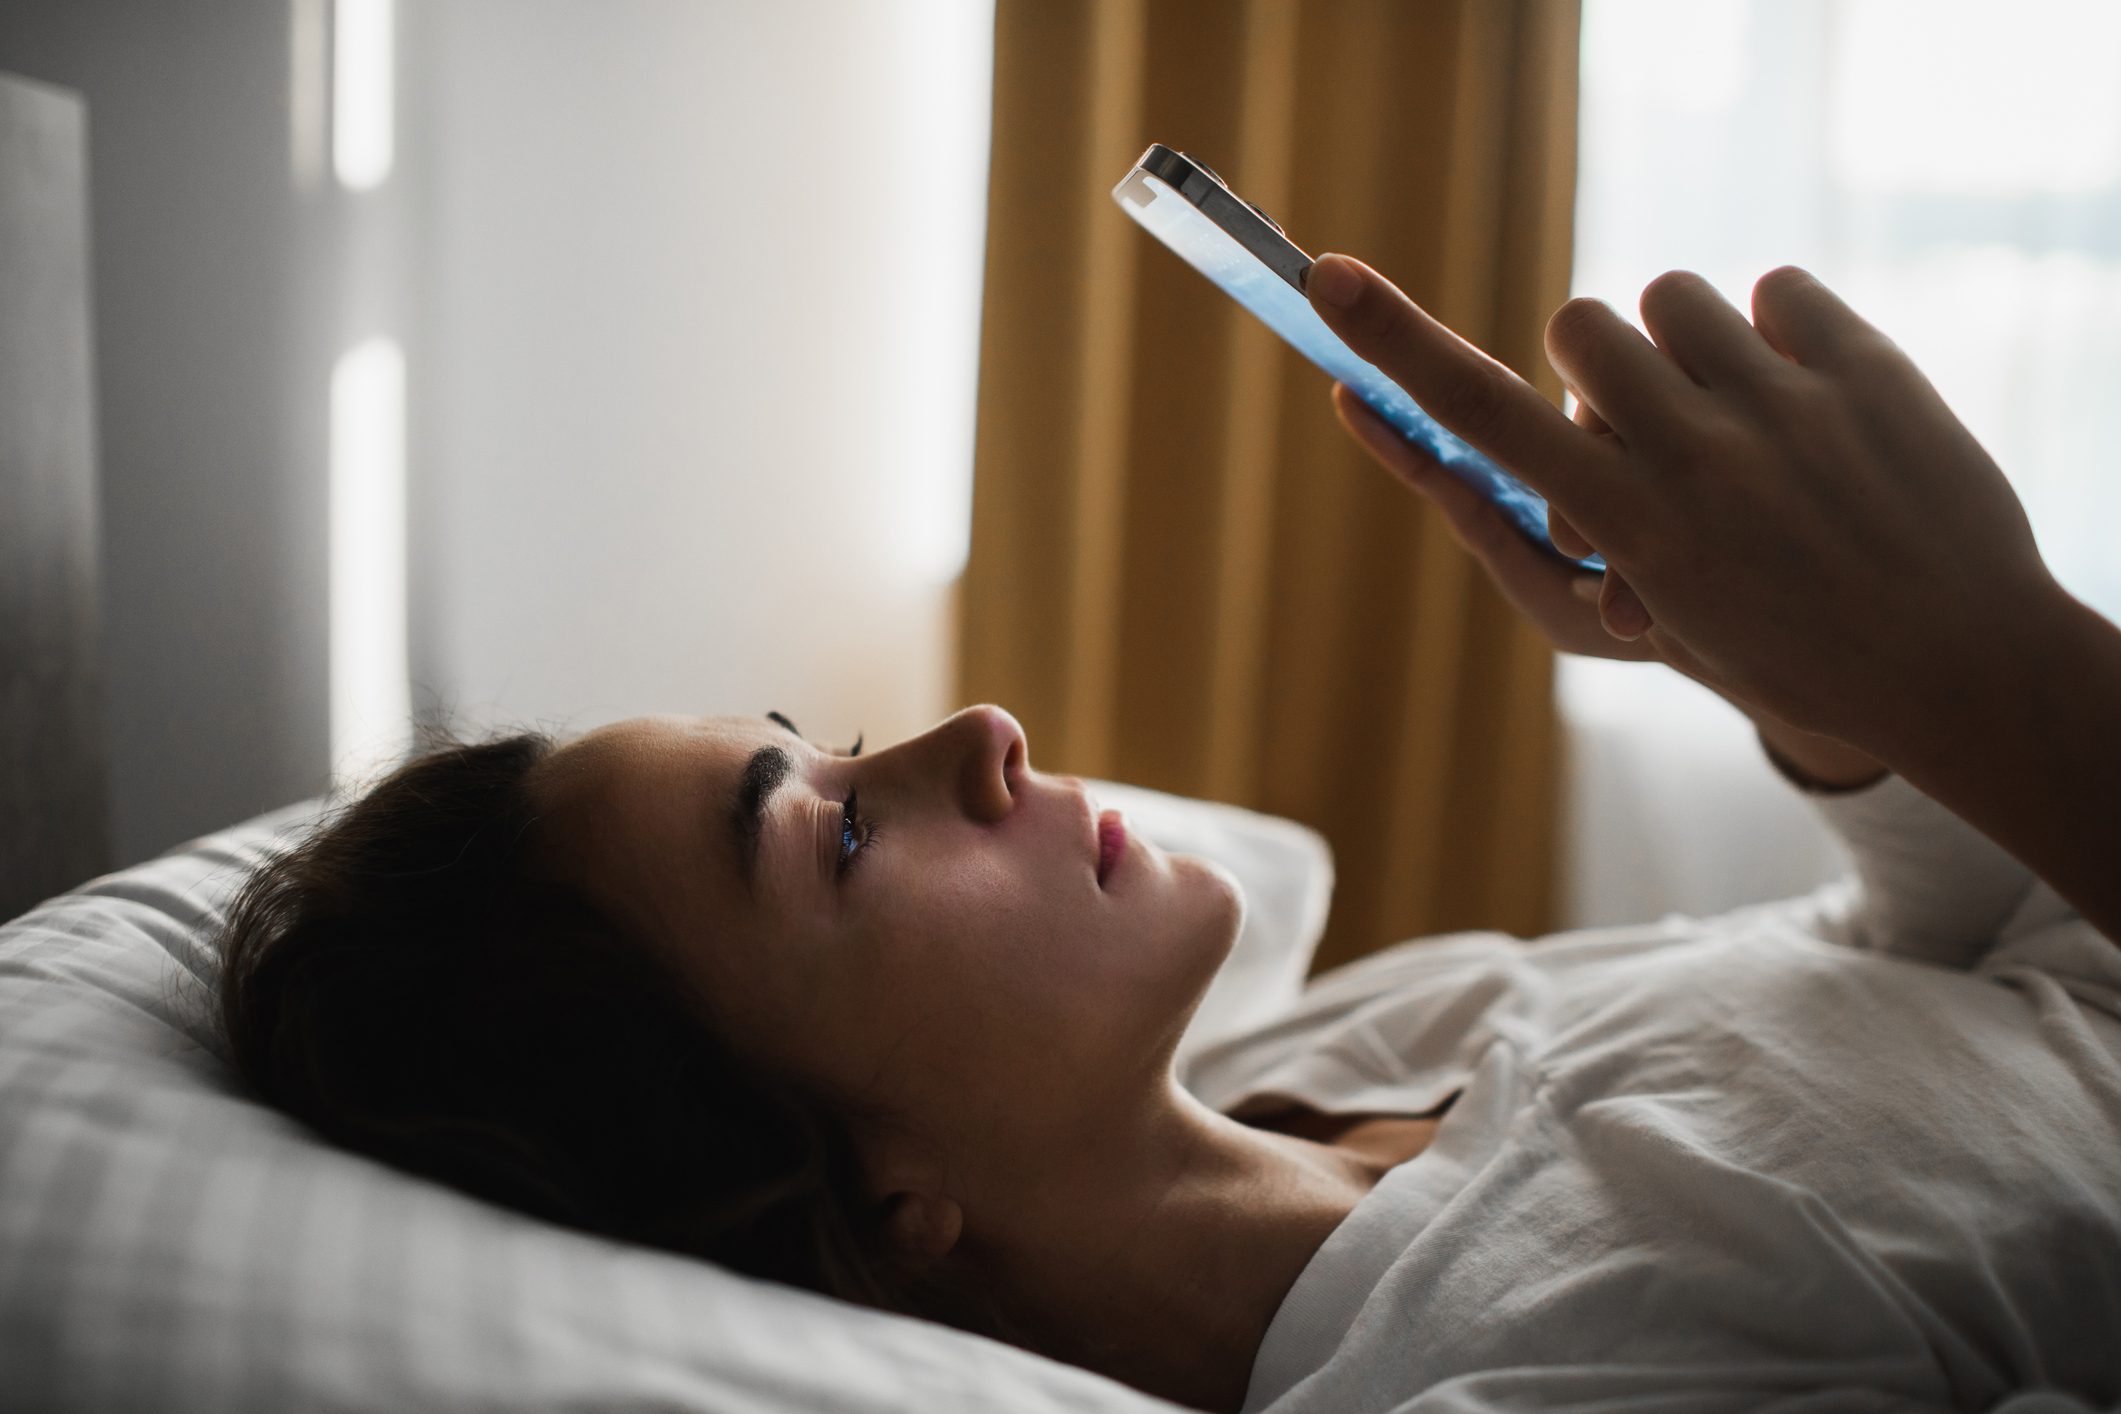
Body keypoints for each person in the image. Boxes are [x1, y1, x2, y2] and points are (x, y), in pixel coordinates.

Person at [216, 259, 2121, 1414]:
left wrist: (1795, 677)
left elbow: (1939, 966)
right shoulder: (1538, 1366)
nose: (980, 731)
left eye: (850, 749)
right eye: (841, 841)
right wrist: (1992, 663)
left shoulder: (1362, 1047)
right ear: (882, 1201)